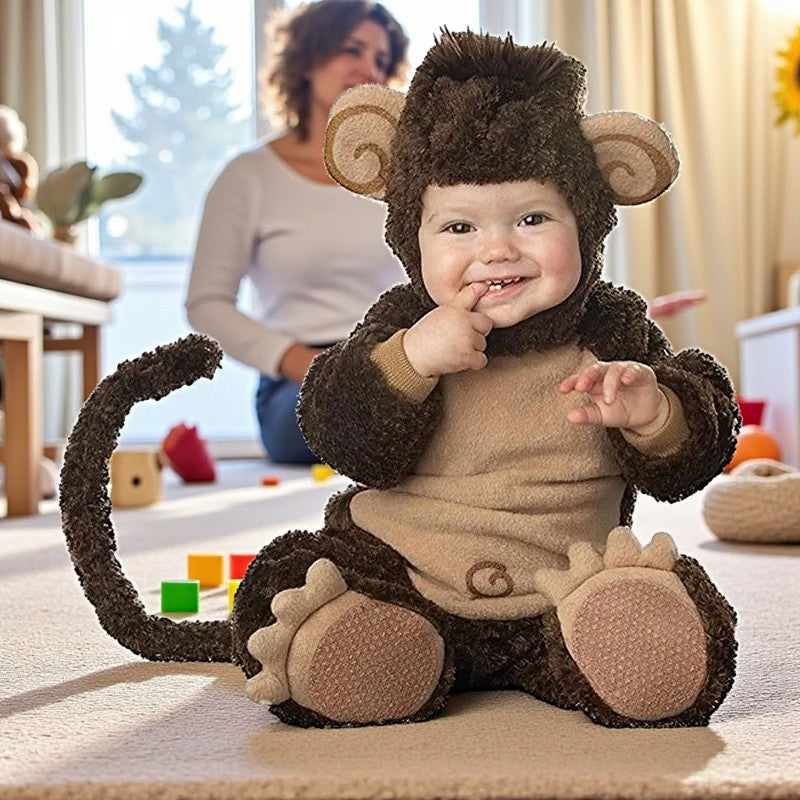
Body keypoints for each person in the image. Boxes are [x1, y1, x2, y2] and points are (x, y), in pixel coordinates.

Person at [233, 31, 739, 731]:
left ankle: (621, 638)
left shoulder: (611, 330)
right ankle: (355, 643)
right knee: (304, 580)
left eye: (533, 218)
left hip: (562, 588)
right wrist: (411, 359)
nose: (497, 249)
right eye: (459, 226)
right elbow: (338, 431)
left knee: (639, 603)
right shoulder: (404, 321)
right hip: (402, 572)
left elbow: (696, 451)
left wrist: (655, 413)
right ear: (414, 235)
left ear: (587, 221)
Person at [185, 0, 409, 464]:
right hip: (302, 377)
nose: (369, 68)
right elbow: (206, 304)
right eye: (353, 50)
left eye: (381, 60)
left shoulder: (406, 176)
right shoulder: (248, 176)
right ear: (308, 58)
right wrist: (296, 360)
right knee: (332, 421)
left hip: (401, 356)